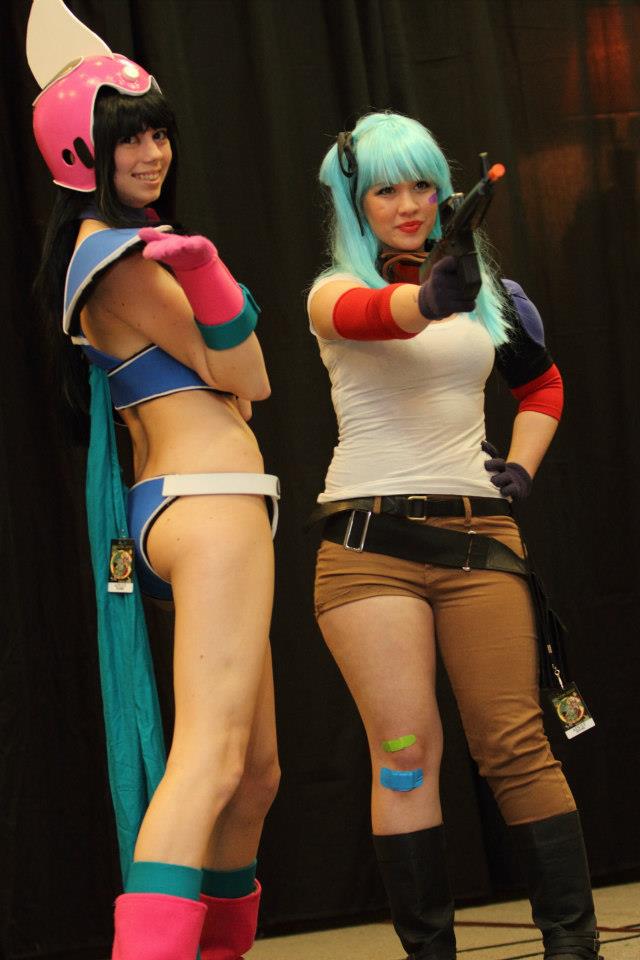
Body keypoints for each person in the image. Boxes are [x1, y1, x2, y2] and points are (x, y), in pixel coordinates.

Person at [307, 111, 601, 960]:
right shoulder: (331, 291)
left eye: (423, 185)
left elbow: (543, 387)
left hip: (479, 537)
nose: (408, 204)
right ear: (354, 203)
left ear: (446, 192)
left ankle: (574, 948)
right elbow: (383, 314)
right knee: (403, 754)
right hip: (368, 547)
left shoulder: (494, 297)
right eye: (385, 190)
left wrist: (522, 468)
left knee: (516, 746)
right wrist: (431, 297)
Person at [27, 3, 279, 958]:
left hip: (198, 504)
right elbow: (250, 376)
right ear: (81, 155)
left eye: (158, 133)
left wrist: (211, 300)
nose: (152, 153)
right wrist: (212, 286)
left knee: (253, 774)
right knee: (210, 762)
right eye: (128, 138)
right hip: (206, 504)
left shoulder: (111, 252)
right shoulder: (118, 256)